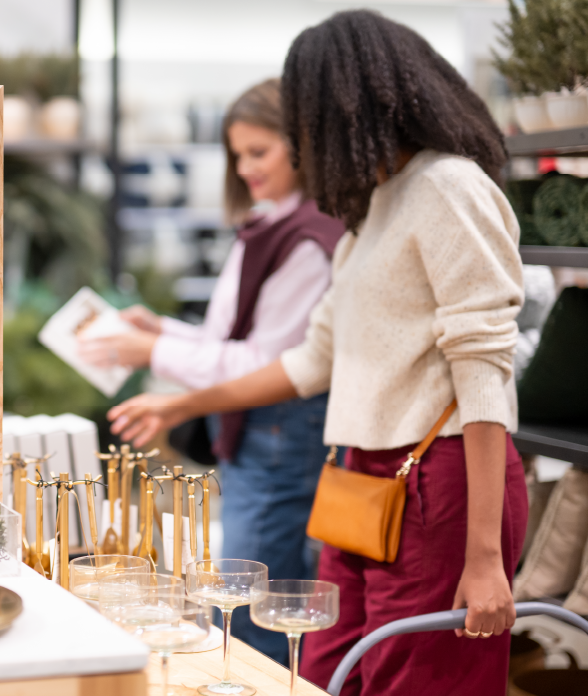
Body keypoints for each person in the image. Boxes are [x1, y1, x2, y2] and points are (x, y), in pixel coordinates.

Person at [106, 10, 526, 696]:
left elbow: (483, 372)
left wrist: (483, 558)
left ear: (343, 106)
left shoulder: (447, 186)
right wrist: (182, 400)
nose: (302, 139)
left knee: (416, 680)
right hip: (361, 481)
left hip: (438, 478)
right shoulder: (370, 215)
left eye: (305, 116)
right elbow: (310, 360)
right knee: (326, 672)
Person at [79, 78, 345, 664]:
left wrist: (154, 354)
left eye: (259, 151)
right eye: (237, 155)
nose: (246, 167)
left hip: (279, 434)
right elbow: (238, 342)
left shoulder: (307, 241)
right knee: (249, 591)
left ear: (301, 144)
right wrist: (163, 332)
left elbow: (268, 365)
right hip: (262, 433)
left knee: (250, 602)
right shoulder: (277, 224)